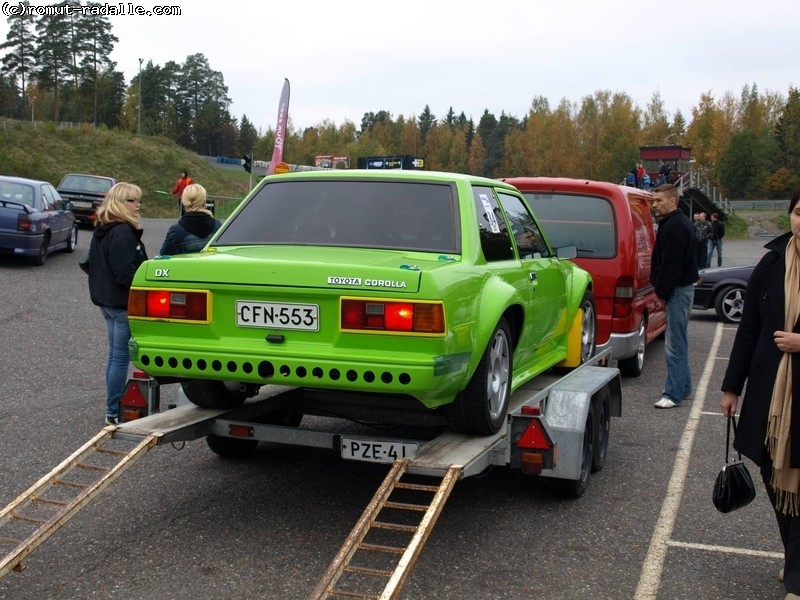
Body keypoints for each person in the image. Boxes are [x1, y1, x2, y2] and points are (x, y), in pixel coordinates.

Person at [720, 190, 800, 599]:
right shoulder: (771, 263)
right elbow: (748, 328)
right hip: (770, 393)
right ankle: (793, 556)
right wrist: (731, 387)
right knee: (773, 473)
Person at [86, 182, 148, 425]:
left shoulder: (103, 228)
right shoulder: (122, 231)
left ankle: (111, 408)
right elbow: (125, 274)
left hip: (107, 301)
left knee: (115, 356)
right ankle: (113, 411)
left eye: (138, 200)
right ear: (120, 203)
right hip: (121, 303)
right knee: (120, 357)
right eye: (132, 200)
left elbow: (91, 263)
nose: (138, 205)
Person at [650, 183, 699, 409]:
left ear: (672, 201)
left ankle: (673, 394)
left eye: (659, 200)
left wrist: (661, 292)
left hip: (678, 290)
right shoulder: (675, 223)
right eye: (653, 200)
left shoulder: (674, 227)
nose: (654, 205)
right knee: (679, 339)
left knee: (674, 344)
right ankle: (685, 388)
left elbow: (671, 266)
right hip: (681, 289)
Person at [160, 183, 222, 255]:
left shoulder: (176, 230)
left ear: (183, 202)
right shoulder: (218, 225)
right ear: (204, 201)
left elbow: (163, 255)